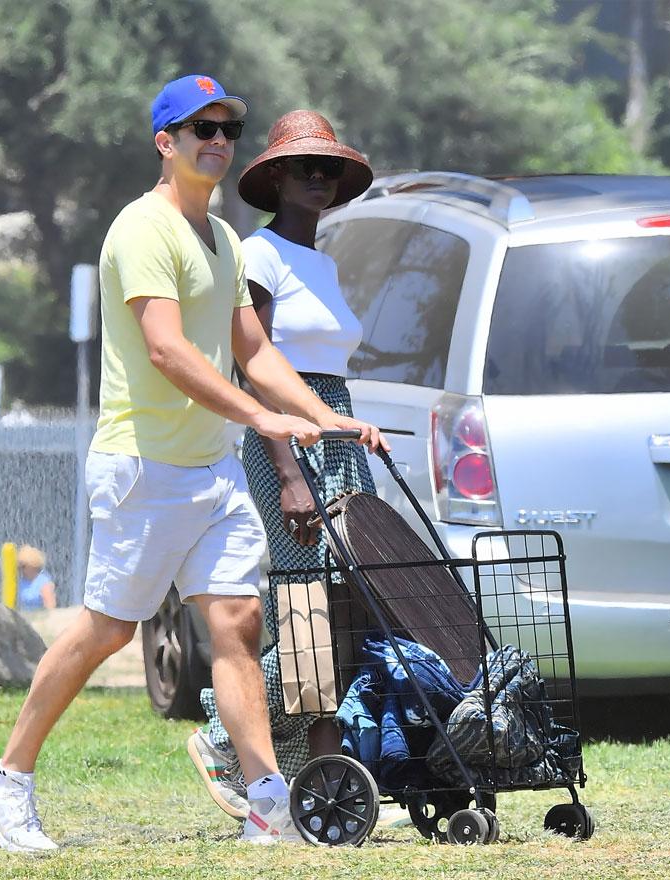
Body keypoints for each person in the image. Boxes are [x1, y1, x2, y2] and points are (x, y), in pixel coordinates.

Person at [0, 75, 384, 853]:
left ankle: (265, 800)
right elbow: (166, 349)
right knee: (105, 631)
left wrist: (326, 417)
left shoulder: (222, 238)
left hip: (213, 471)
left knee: (238, 621)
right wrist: (261, 416)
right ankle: (5, 781)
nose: (217, 141)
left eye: (227, 129)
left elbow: (252, 347)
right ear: (166, 141)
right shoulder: (141, 229)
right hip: (143, 466)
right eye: (200, 129)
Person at [187, 110, 407, 824]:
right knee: (305, 600)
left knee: (348, 600)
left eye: (329, 170)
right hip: (288, 435)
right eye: (305, 167)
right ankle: (227, 738)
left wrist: (336, 426)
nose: (320, 179)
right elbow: (257, 369)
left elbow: (327, 371)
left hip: (334, 422)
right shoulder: (260, 254)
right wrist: (286, 470)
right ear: (276, 176)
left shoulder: (325, 262)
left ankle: (322, 767)